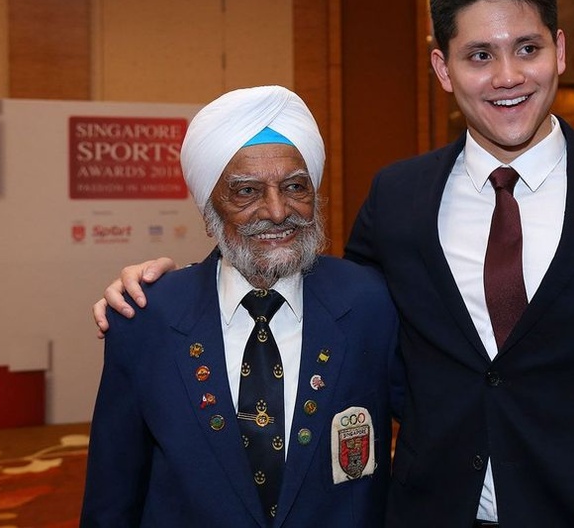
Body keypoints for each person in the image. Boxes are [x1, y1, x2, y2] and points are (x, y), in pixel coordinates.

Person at [94, 0, 574, 527]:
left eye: (527, 49)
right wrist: (174, 290)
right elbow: (326, 311)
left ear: (559, 52)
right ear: (443, 69)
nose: (507, 77)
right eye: (479, 55)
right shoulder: (399, 198)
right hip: (426, 510)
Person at [81, 85, 404, 527]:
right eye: (247, 191)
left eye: (295, 186)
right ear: (208, 208)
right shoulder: (146, 318)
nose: (276, 211)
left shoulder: (372, 303)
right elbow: (113, 492)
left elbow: (433, 435)